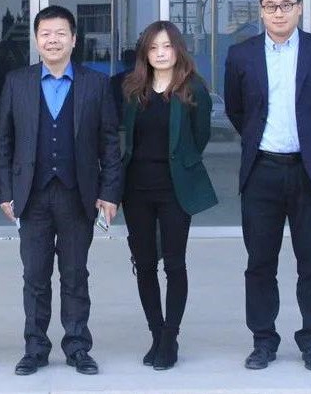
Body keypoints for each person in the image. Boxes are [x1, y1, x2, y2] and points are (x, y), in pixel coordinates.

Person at [224, 0, 311, 372]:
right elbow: (236, 109)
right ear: (261, 11)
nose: (278, 13)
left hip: (310, 172)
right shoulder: (241, 55)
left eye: (285, 5)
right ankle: (263, 340)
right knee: (260, 262)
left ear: (299, 8)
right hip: (261, 171)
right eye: (270, 7)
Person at [0, 5, 122, 376]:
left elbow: (110, 143)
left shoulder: (95, 84)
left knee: (75, 274)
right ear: (36, 40)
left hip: (77, 195)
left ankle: (78, 347)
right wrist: (6, 191)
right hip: (31, 195)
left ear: (74, 39)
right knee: (35, 276)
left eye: (60, 33)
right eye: (46, 34)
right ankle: (35, 348)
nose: (53, 40)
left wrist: (109, 192)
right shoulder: (17, 82)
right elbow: (3, 141)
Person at [120, 21, 218, 370]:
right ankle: (156, 334)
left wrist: (181, 162)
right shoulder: (133, 89)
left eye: (167, 46)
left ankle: (170, 337)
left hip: (176, 190)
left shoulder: (193, 90)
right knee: (144, 263)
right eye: (153, 47)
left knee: (174, 264)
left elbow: (200, 137)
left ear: (178, 49)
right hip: (136, 190)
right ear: (144, 53)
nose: (160, 53)